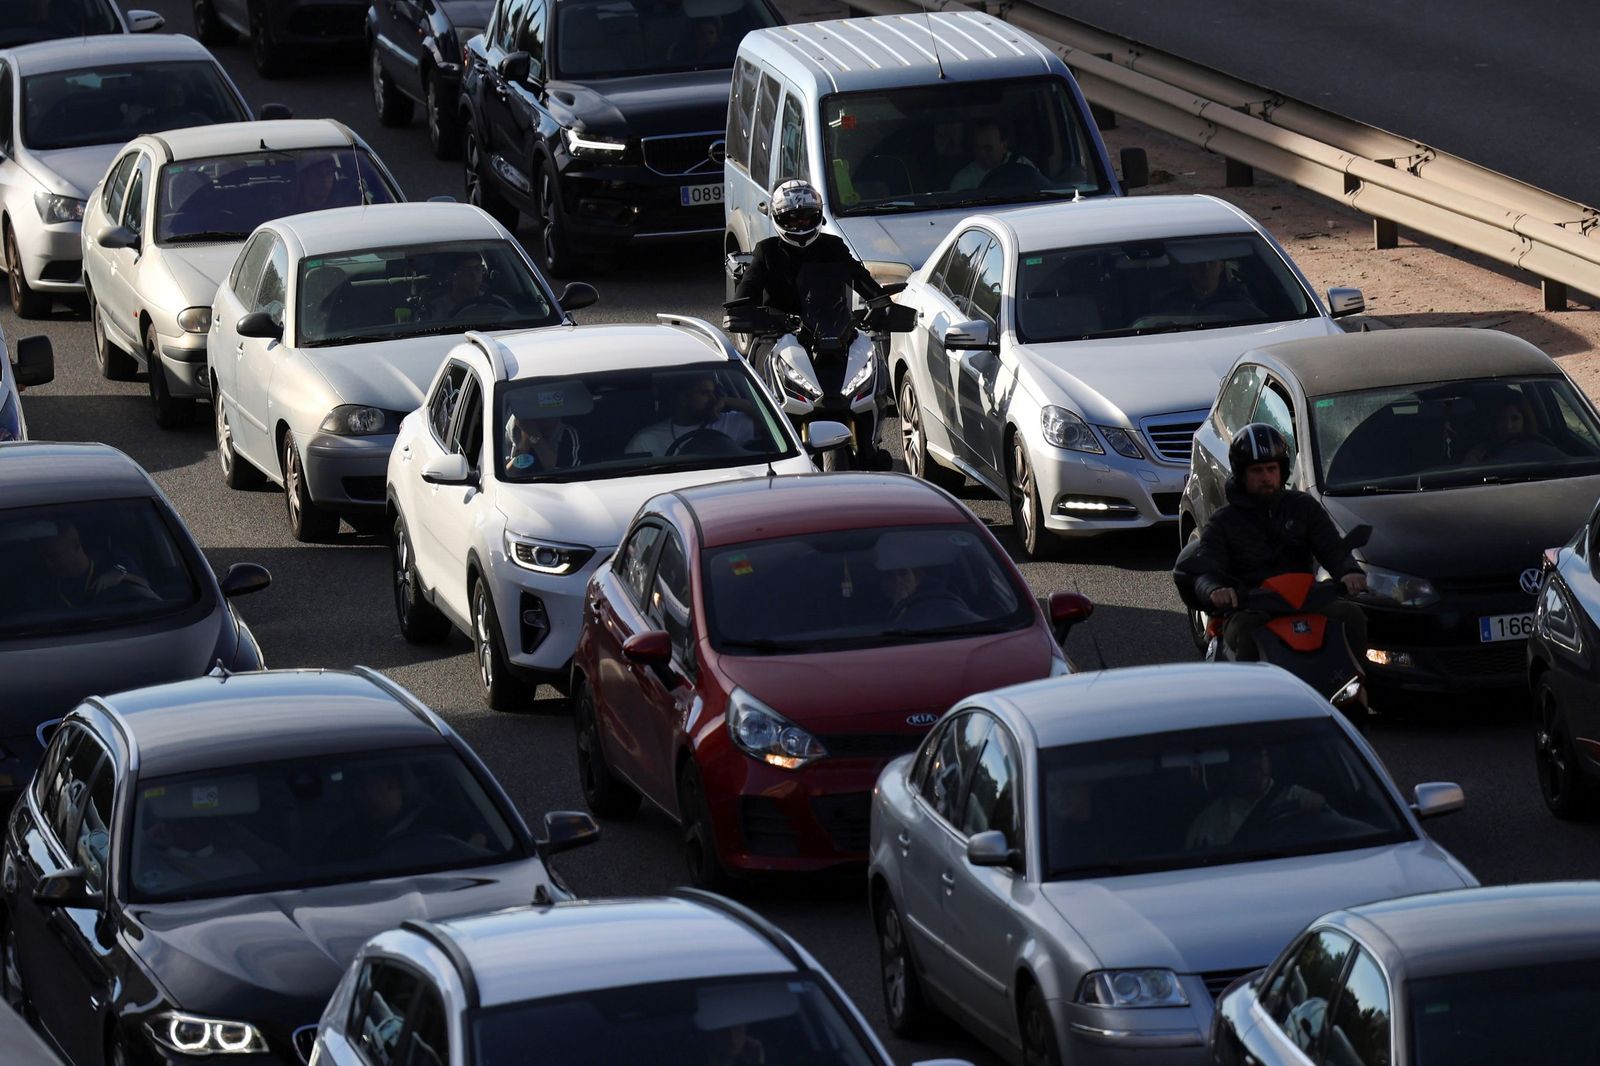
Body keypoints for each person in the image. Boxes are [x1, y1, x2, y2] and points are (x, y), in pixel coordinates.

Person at [1176, 423, 1369, 661]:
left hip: (1305, 601)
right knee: (1244, 631)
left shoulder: (1304, 507)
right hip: (1250, 608)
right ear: (1241, 474)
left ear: (1282, 470)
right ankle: (1254, 685)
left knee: (1352, 616)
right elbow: (1207, 568)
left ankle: (1350, 681)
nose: (1266, 477)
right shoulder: (1223, 522)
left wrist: (1349, 571)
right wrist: (1215, 589)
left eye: (1271, 469)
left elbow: (1332, 547)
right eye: (1257, 471)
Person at [733, 180, 884, 317]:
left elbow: (859, 277)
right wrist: (738, 311)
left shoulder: (833, 246)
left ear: (817, 216)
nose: (800, 224)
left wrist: (882, 301)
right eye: (792, 219)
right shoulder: (767, 250)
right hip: (778, 332)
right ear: (778, 218)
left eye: (806, 218)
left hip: (834, 329)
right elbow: (749, 284)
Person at [1185, 744, 1323, 850]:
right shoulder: (1210, 820)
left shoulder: (1297, 797)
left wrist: (1318, 806)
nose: (1255, 763)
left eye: (1261, 755)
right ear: (1227, 769)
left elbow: (1332, 829)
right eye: (1244, 758)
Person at [626, 371, 756, 456]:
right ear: (684, 399)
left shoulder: (729, 422)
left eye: (713, 392)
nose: (713, 399)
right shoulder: (646, 440)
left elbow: (766, 422)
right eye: (704, 393)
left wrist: (729, 401)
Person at [39, 521, 160, 607]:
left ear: (76, 546)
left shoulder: (112, 560)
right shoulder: (43, 584)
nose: (48, 564)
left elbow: (148, 589)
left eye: (54, 556)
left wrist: (123, 576)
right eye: (43, 558)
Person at [136, 816, 263, 894]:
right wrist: (146, 838)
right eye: (179, 819)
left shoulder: (238, 859)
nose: (188, 824)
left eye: (197, 819)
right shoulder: (145, 858)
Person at [1150, 257, 1262, 318]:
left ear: (1221, 267)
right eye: (1199, 264)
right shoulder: (1171, 301)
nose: (1205, 269)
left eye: (1211, 263)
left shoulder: (1237, 299)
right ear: (1188, 269)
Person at [949, 118, 1037, 191]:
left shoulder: (1024, 168)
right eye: (978, 148)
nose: (982, 154)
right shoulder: (963, 180)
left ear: (1004, 146)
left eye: (988, 148)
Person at [1460, 397, 1544, 463]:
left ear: (1525, 420)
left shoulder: (1539, 450)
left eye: (1515, 419)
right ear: (1494, 422)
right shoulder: (1479, 454)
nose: (1508, 426)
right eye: (1502, 419)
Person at [505, 413, 579, 473]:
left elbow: (560, 473)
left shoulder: (566, 434)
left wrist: (535, 437)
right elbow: (507, 474)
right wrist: (525, 443)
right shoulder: (514, 432)